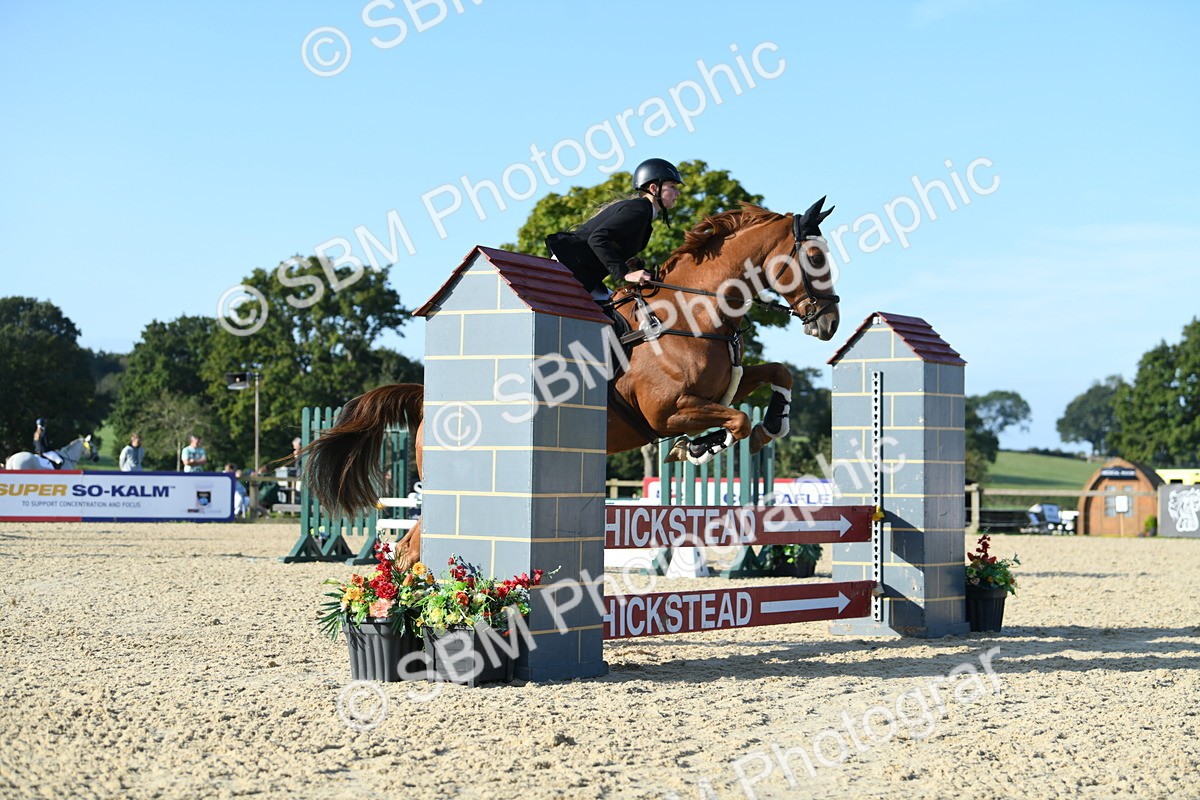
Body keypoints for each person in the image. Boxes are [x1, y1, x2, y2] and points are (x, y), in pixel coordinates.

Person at [545, 158, 683, 306]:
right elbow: (597, 238)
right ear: (654, 189)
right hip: (570, 268)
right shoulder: (640, 210)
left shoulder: (644, 213)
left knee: (620, 311)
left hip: (584, 273)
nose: (678, 193)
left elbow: (606, 242)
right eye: (673, 186)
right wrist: (626, 273)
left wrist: (629, 262)